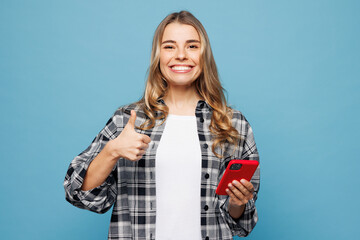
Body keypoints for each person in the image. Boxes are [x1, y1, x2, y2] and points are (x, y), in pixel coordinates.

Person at [64, 10, 260, 240]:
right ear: (158, 56)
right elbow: (77, 193)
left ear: (204, 55)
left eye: (192, 46)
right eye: (169, 46)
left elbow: (242, 224)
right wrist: (112, 151)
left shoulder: (232, 123)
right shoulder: (128, 119)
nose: (180, 55)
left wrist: (238, 203)